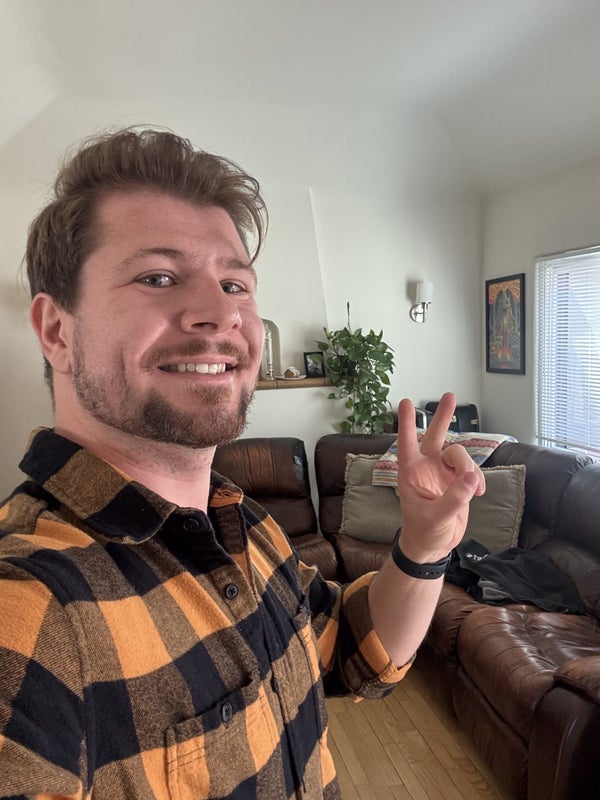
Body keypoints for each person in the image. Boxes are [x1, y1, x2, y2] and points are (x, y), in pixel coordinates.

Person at [0, 128, 485, 799]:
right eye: (158, 277)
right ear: (57, 330)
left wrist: (426, 544)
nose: (220, 312)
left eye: (235, 284)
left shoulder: (244, 524)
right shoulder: (27, 605)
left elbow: (352, 652)